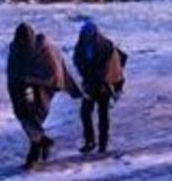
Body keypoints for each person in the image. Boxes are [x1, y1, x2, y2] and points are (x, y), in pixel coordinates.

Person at [7, 22, 82, 169]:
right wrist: (17, 83)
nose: (22, 42)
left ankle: (34, 154)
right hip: (21, 88)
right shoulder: (16, 49)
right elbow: (12, 70)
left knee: (33, 116)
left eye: (24, 39)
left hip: (40, 88)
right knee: (24, 116)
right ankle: (43, 142)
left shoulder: (44, 49)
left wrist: (32, 79)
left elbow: (54, 72)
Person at [72, 20, 127, 154]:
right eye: (84, 33)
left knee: (102, 113)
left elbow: (112, 66)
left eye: (88, 33)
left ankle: (103, 143)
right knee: (85, 113)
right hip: (90, 84)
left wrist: (102, 80)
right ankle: (89, 141)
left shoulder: (105, 45)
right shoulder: (81, 45)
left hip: (103, 85)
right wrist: (86, 75)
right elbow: (77, 60)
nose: (86, 36)